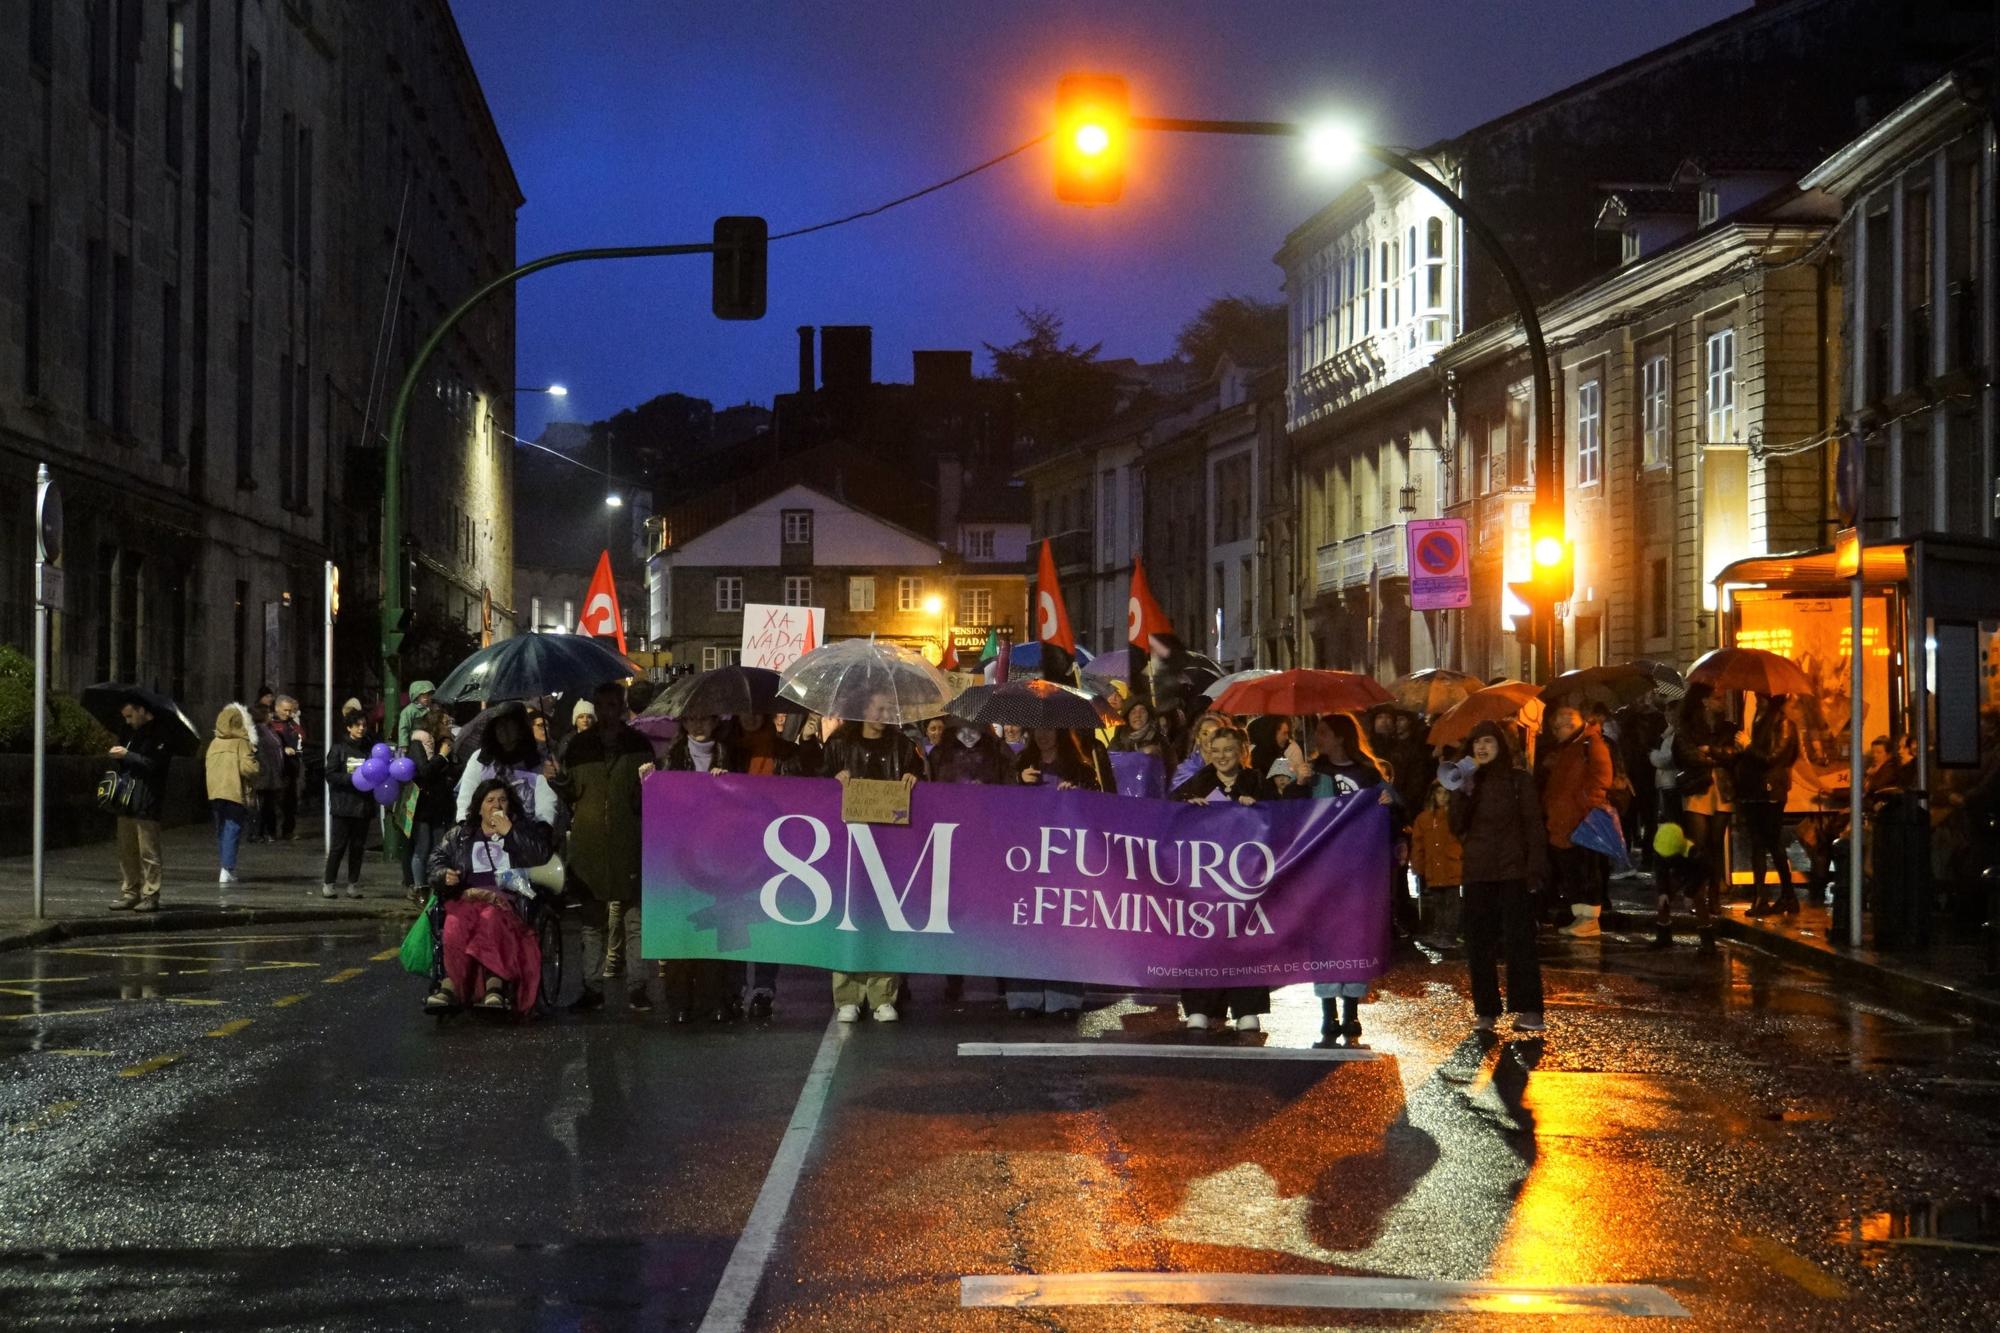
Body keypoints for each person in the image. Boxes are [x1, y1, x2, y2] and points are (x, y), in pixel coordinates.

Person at [1288, 713, 1396, 1040]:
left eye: (1324, 732)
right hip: (1321, 867)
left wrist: (1388, 803)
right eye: (1317, 731)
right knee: (1325, 940)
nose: (1318, 738)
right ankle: (1328, 1011)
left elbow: (1396, 808)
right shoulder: (1313, 771)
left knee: (1353, 939)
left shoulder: (1366, 773)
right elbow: (1289, 813)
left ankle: (1351, 1011)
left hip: (1358, 868)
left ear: (1340, 736)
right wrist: (1300, 784)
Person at [819, 695, 925, 1022]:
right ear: (863, 709)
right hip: (848, 843)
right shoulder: (839, 744)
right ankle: (848, 995)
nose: (884, 714)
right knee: (848, 916)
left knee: (884, 917)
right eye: (878, 708)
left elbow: (923, 784)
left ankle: (882, 994)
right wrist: (832, 780)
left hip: (890, 844)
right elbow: (814, 786)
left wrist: (913, 778)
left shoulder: (903, 747)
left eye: (888, 709)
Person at [557, 682, 659, 1013]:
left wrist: (649, 784)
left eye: (613, 704)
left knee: (634, 920)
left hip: (628, 841)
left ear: (622, 706)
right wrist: (557, 780)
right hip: (589, 845)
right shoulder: (578, 747)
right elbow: (571, 794)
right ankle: (592, 986)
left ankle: (638, 987)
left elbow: (647, 800)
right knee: (592, 921)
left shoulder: (638, 744)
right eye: (601, 705)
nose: (607, 711)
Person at [1169, 725, 1276, 1032]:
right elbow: (1168, 818)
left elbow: (1283, 817)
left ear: (1241, 751)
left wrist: (1258, 808)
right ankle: (1200, 1007)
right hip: (1205, 880)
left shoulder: (1256, 781)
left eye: (1228, 750)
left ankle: (1246, 1007)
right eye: (1215, 751)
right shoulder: (1196, 784)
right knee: (1202, 940)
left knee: (1246, 940)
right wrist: (1188, 808)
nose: (1222, 757)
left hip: (1247, 877)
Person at [424, 779, 558, 1013]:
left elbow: (542, 859)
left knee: (490, 918)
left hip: (506, 902)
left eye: (503, 800)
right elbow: (437, 860)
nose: (497, 805)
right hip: (468, 897)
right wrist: (443, 874)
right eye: (490, 800)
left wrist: (510, 833)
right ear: (479, 807)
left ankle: (494, 984)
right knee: (454, 923)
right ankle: (451, 984)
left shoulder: (523, 830)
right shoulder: (461, 835)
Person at [1449, 721, 1548, 1033]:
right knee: (1479, 944)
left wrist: (1536, 867)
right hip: (1478, 872)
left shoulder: (1519, 781)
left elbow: (1534, 825)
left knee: (1520, 941)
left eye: (1489, 741)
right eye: (1477, 742)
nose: (1482, 747)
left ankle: (1530, 1009)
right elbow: (1455, 826)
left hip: (1513, 871)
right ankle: (1486, 1011)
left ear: (1500, 746)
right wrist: (1463, 792)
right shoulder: (1466, 782)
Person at [1010, 727, 1102, 1019]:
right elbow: (998, 802)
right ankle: (1024, 997)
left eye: (1049, 729)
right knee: (1026, 925)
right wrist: (1016, 781)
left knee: (1065, 926)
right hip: (1027, 857)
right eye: (1038, 730)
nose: (1043, 735)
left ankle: (1065, 999)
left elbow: (1103, 804)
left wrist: (1079, 794)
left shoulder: (1080, 769)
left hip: (1066, 859)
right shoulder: (1021, 764)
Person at [1538, 704, 1615, 937]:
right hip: (1565, 820)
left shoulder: (1589, 743)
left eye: (1559, 726)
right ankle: (1581, 917)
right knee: (1573, 871)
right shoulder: (1569, 747)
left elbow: (1602, 777)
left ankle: (1590, 920)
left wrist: (1585, 804)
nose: (1557, 730)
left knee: (1586, 870)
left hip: (1581, 818)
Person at [1673, 684, 1740, 951]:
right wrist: (1717, 756)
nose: (1721, 702)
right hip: (1698, 788)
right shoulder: (1688, 726)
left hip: (1722, 789)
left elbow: (1734, 755)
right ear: (1704, 702)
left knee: (1715, 843)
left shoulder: (1728, 727)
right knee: (1698, 846)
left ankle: (1713, 893)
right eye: (1717, 698)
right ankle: (1698, 892)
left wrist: (1709, 752)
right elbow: (1685, 755)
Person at [1734, 694, 1802, 917]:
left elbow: (1773, 757)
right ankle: (1768, 896)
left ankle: (1784, 895)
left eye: (1759, 695)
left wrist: (1748, 746)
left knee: (1771, 842)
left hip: (1770, 789)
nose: (1755, 698)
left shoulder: (1782, 723)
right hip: (1757, 789)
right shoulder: (1762, 719)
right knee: (1760, 843)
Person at [105, 700, 173, 912]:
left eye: (130, 716)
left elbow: (154, 764)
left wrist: (128, 755)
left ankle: (151, 893)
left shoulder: (160, 734)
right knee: (126, 850)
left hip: (147, 797)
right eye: (125, 717)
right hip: (126, 796)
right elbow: (126, 762)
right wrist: (119, 755)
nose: (128, 721)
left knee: (148, 850)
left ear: (142, 710)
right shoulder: (128, 732)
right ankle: (130, 891)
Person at [454, 702, 561, 826]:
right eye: (499, 725)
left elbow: (546, 804)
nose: (503, 730)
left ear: (520, 727)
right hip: (485, 835)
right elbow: (466, 797)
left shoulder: (537, 760)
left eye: (509, 724)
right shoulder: (481, 758)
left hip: (526, 834)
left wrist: (543, 827)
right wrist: (464, 823)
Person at [405, 707, 459, 907]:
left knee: (439, 847)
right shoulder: (420, 743)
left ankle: (436, 885)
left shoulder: (444, 744)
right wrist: (442, 757)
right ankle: (419, 887)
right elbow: (425, 771)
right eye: (445, 723)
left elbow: (454, 770)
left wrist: (449, 755)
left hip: (440, 803)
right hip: (423, 804)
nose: (449, 726)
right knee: (422, 846)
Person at [205, 703, 262, 888]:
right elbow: (249, 769)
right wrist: (256, 764)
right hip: (234, 791)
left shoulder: (214, 743)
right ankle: (227, 868)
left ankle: (225, 866)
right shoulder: (241, 743)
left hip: (215, 792)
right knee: (233, 828)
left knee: (221, 829)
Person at [321, 711, 375, 900]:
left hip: (363, 806)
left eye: (363, 725)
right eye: (357, 725)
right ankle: (329, 883)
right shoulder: (339, 749)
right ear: (348, 727)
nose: (361, 728)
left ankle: (353, 884)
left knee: (358, 847)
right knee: (338, 846)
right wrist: (352, 779)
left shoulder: (370, 750)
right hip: (343, 805)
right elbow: (330, 774)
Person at [1409, 783, 1464, 947]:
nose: (1442, 796)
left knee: (1451, 903)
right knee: (1438, 903)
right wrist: (1417, 866)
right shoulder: (1424, 818)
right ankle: (1438, 932)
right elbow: (1418, 844)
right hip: (1434, 866)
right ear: (1433, 794)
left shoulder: (1455, 816)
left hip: (1452, 865)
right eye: (1439, 792)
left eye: (1446, 793)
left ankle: (1449, 935)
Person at [268, 695, 305, 840]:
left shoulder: (292, 724)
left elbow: (302, 736)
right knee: (273, 801)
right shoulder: (270, 724)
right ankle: (270, 831)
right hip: (275, 768)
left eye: (290, 711)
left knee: (290, 801)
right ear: (277, 708)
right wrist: (282, 749)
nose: (288, 713)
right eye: (285, 710)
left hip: (291, 768)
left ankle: (288, 830)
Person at [249, 703, 285, 843]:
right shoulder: (257, 732)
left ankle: (267, 832)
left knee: (268, 805)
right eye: (268, 713)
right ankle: (257, 833)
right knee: (261, 806)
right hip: (263, 775)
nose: (271, 715)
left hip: (272, 774)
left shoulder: (269, 730)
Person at [396, 680, 437, 750]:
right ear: (416, 696)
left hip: (429, 731)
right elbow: (403, 728)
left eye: (428, 695)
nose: (426, 698)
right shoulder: (409, 711)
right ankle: (429, 758)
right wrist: (403, 745)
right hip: (413, 733)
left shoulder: (432, 707)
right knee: (425, 737)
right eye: (423, 695)